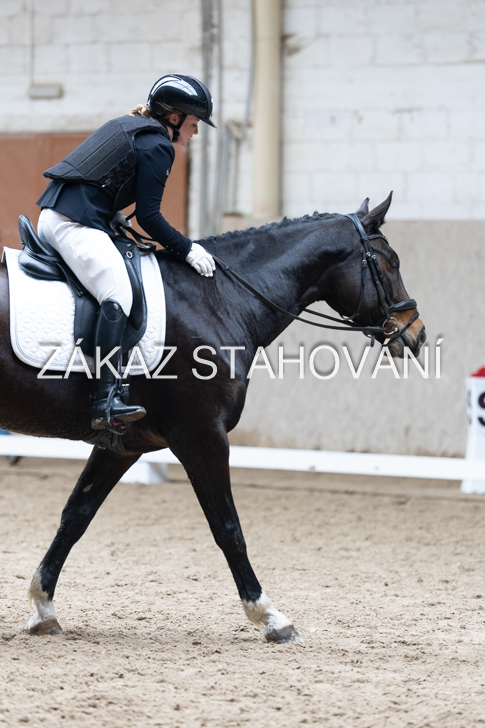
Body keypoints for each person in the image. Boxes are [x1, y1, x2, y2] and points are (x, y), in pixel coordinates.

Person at [36, 74, 217, 435]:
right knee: (119, 294)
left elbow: (98, 179)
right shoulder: (158, 146)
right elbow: (149, 217)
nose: (195, 132)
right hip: (73, 224)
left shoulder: (132, 126)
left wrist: (112, 212)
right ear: (175, 118)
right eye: (194, 123)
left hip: (65, 216)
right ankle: (104, 400)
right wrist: (187, 249)